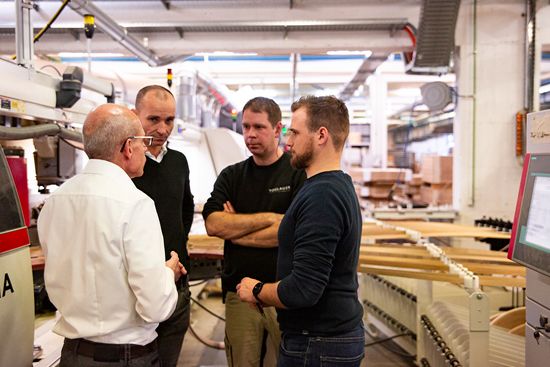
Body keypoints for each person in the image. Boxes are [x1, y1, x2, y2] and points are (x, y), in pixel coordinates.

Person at [37, 104, 185, 367]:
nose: (145, 148)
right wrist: (167, 274)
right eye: (143, 142)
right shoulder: (135, 203)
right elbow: (155, 307)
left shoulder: (55, 201)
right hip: (123, 356)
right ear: (128, 147)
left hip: (73, 354)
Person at [236, 95, 365, 367]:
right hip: (323, 339)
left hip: (317, 343)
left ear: (321, 135)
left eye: (294, 132)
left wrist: (256, 289)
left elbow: (304, 290)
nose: (288, 142)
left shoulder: (323, 195)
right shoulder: (333, 185)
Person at [202, 97, 305, 367]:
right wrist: (274, 219)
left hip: (282, 292)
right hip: (239, 292)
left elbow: (292, 232)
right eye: (246, 127)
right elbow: (214, 224)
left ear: (277, 129)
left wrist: (235, 229)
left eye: (258, 127)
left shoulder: (297, 175)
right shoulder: (231, 176)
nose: (250, 135)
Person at [131, 85, 195, 367]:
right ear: (135, 117)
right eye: (154, 119)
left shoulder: (178, 162)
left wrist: (176, 250)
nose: (162, 128)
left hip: (177, 286)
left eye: (169, 120)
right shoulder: (124, 166)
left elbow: (184, 212)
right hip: (136, 292)